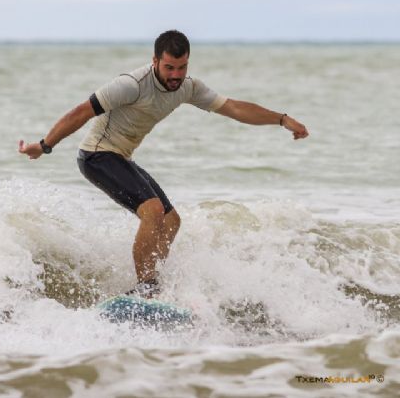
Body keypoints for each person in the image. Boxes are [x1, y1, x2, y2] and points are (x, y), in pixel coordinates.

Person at [18, 30, 308, 298]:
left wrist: (281, 119)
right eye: (169, 67)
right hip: (96, 156)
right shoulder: (131, 85)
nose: (176, 75)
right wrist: (44, 146)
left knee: (171, 221)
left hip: (121, 156)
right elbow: (81, 112)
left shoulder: (188, 88)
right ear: (155, 60)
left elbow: (233, 107)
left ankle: (152, 284)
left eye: (182, 67)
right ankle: (145, 287)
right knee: (153, 211)